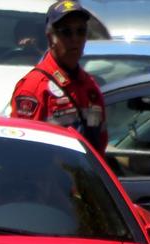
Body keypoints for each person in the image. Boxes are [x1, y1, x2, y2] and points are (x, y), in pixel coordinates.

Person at [9, 1, 107, 155]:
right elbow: (22, 150)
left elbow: (100, 142)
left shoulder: (89, 86)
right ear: (50, 38)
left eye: (81, 31)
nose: (75, 39)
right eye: (66, 32)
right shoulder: (35, 86)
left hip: (83, 176)